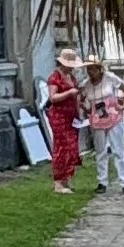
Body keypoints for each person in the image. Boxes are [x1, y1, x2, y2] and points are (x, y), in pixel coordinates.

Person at [82, 53, 124, 194]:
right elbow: (81, 99)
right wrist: (85, 109)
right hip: (97, 121)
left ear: (100, 69)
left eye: (93, 69)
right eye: (88, 69)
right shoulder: (86, 85)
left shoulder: (110, 78)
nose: (91, 72)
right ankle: (102, 181)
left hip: (113, 118)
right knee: (100, 151)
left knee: (118, 150)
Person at [42, 47, 87, 193]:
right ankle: (58, 182)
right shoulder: (55, 78)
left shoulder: (71, 78)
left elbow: (76, 96)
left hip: (71, 117)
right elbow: (52, 98)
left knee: (71, 147)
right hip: (59, 117)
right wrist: (69, 93)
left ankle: (66, 178)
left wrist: (80, 107)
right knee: (61, 147)